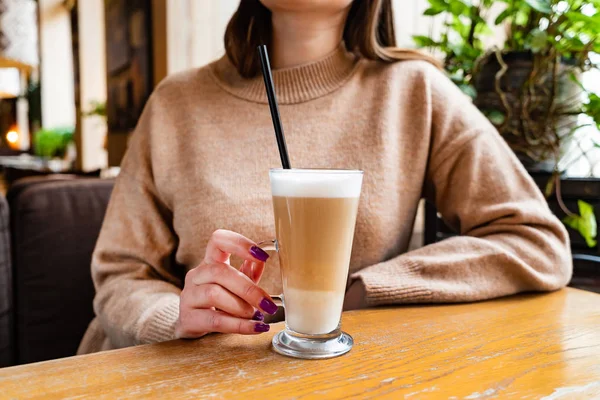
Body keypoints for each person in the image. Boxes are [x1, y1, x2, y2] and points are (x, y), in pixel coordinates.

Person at [78, 0, 572, 353]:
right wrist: (172, 318)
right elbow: (120, 273)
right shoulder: (175, 103)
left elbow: (535, 239)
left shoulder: (413, 92)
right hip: (176, 374)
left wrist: (366, 290)